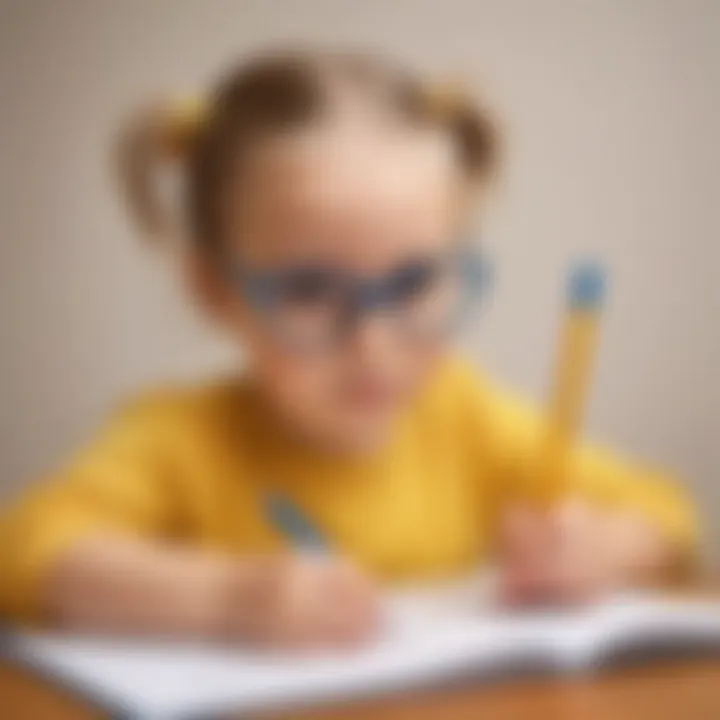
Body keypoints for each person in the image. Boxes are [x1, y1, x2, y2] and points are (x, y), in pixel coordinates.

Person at [0, 49, 698, 649]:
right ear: (215, 290)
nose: (374, 344)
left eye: (417, 282)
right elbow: (24, 553)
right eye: (309, 290)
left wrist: (602, 548)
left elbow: (667, 511)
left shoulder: (463, 414)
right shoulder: (180, 440)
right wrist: (230, 597)